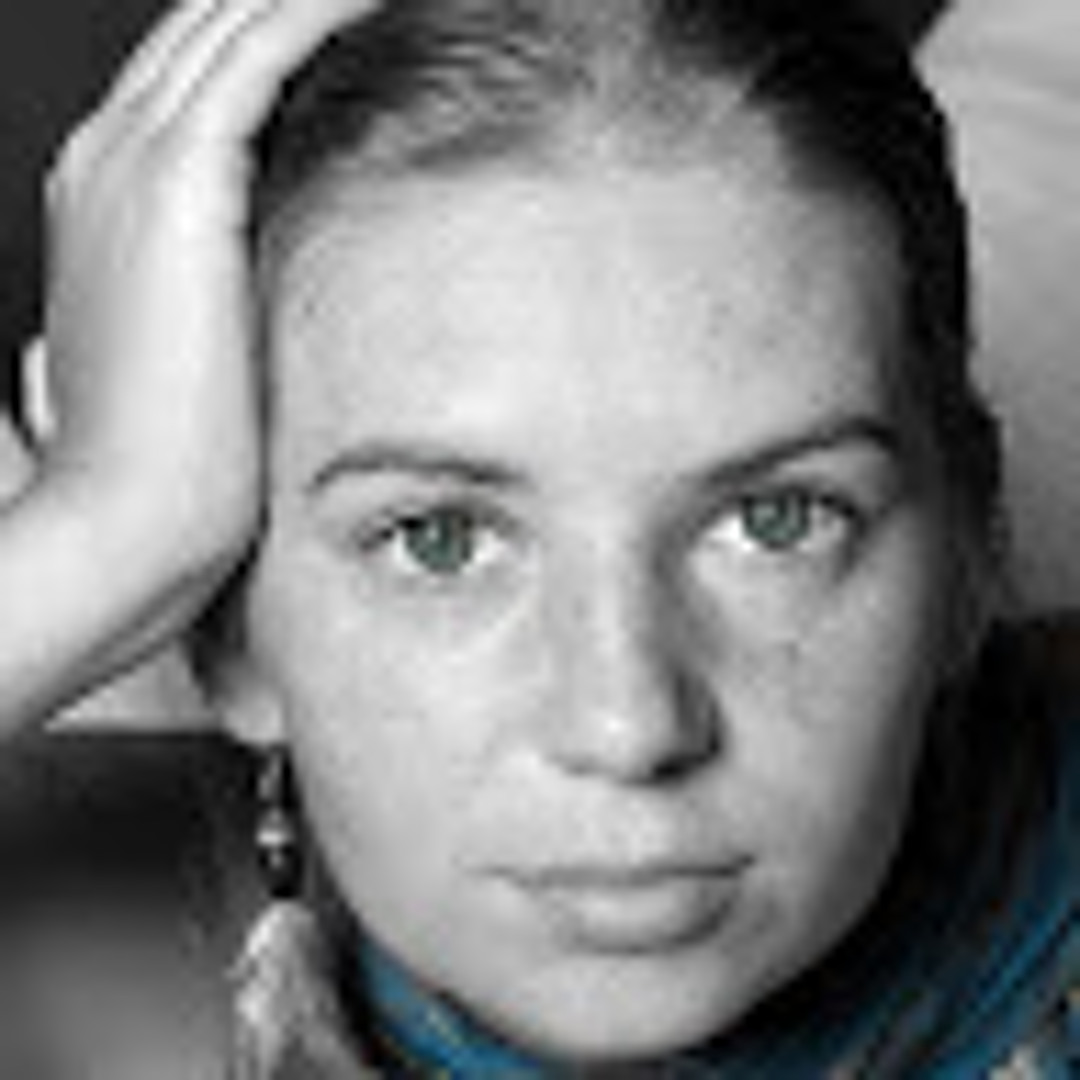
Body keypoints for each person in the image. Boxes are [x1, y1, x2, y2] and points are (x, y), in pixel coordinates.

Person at [0, 0, 1075, 1075]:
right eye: (439, 539)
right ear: (224, 631)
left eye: (777, 520)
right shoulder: (71, 954)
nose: (628, 727)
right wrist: (104, 531)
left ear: (970, 549)